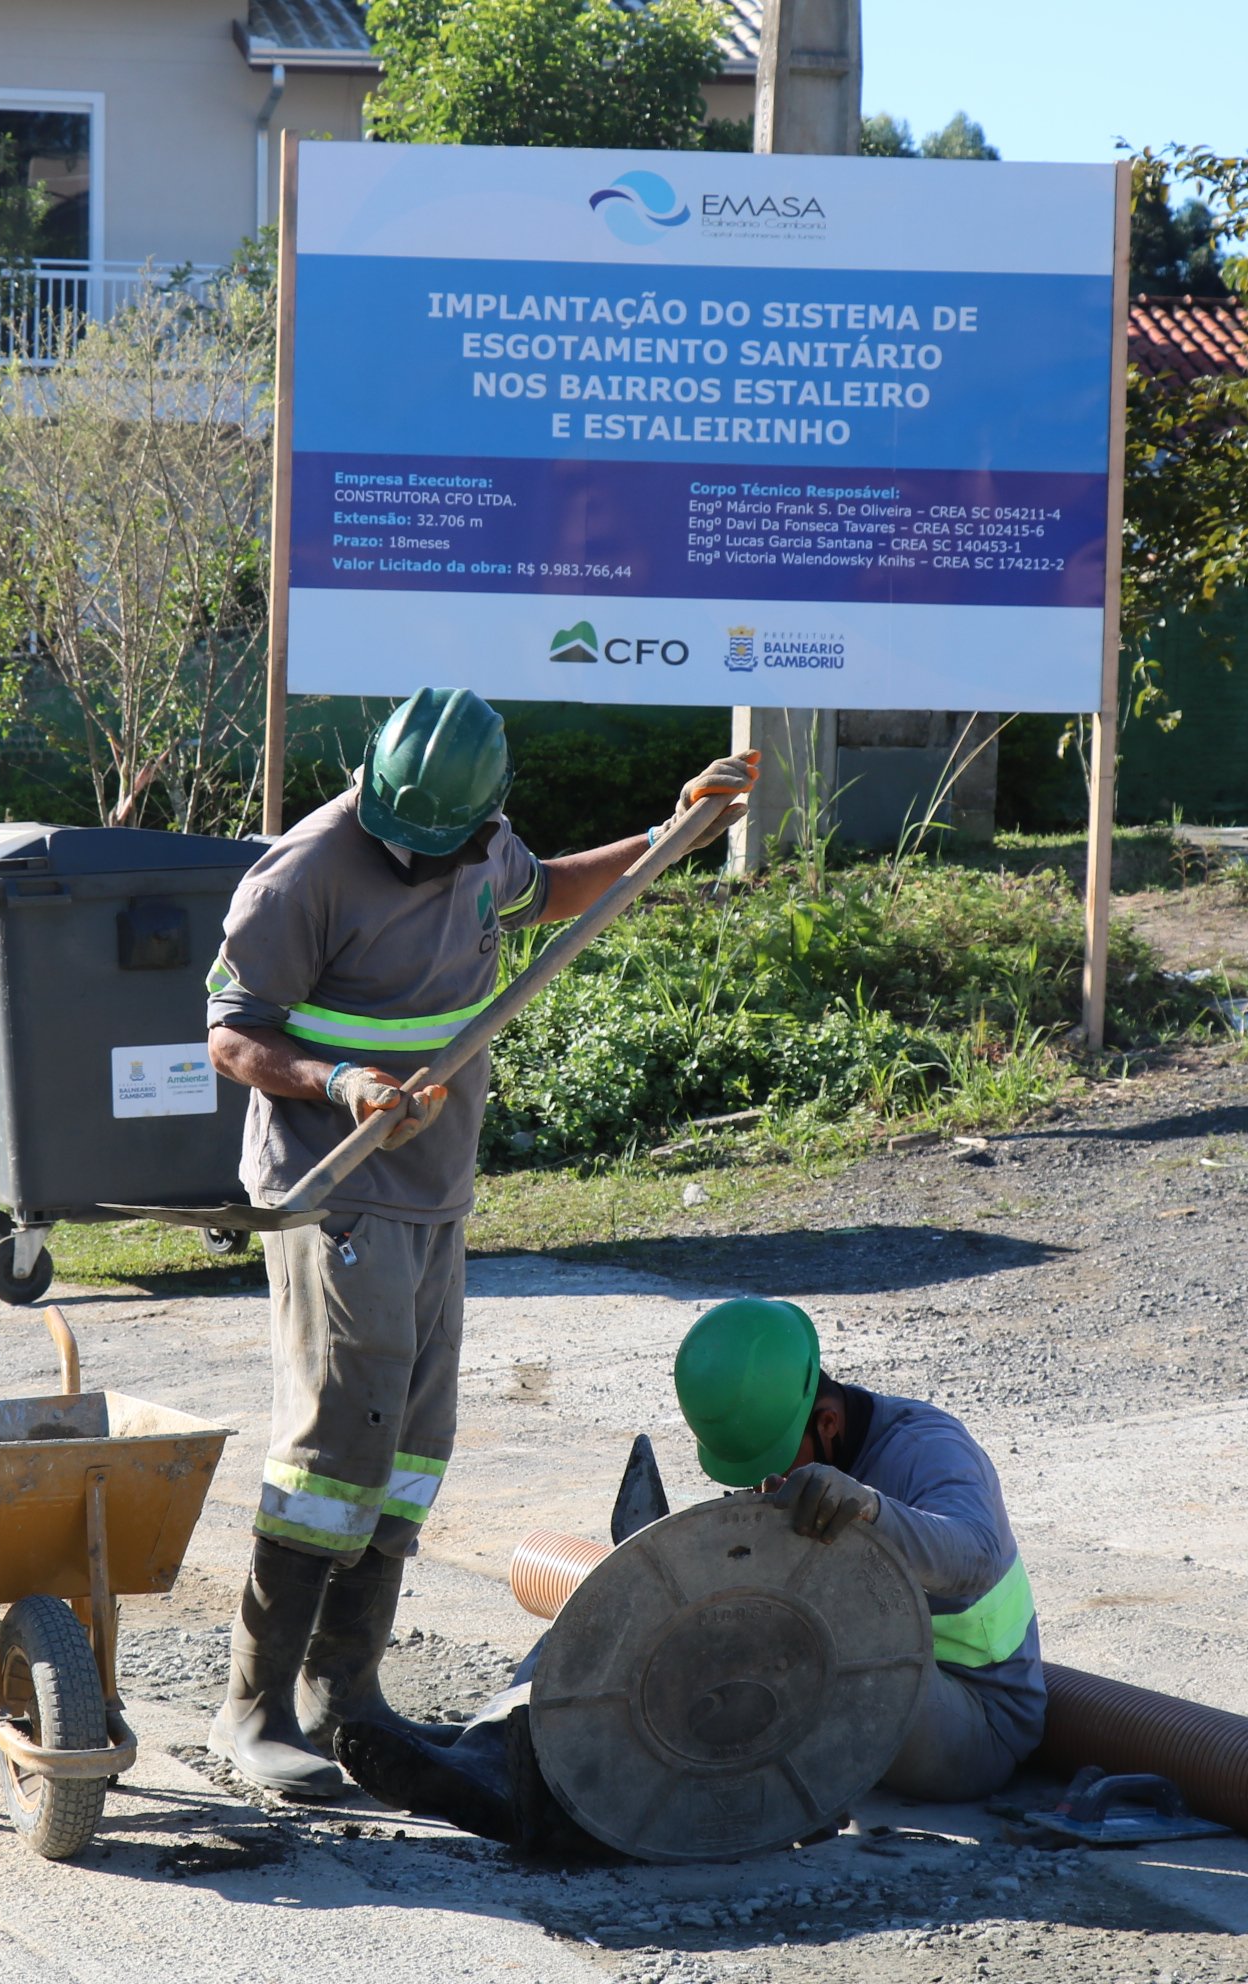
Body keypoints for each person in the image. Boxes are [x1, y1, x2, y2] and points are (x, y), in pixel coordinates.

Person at [202, 686, 759, 1797]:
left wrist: (669, 835)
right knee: (334, 1442)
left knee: (409, 1446)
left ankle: (345, 1693)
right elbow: (231, 1033)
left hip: (434, 1187)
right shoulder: (305, 872)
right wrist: (339, 1080)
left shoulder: (481, 845)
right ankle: (253, 1707)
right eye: (402, 836)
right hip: (336, 1189)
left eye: (442, 843)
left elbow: (547, 891)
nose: (419, 859)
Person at [333, 1297, 1045, 1844]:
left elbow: (973, 1556)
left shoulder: (926, 1449)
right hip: (863, 1676)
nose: (758, 1487)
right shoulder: (798, 1456)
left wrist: (870, 1512)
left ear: (827, 1423)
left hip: (971, 1718)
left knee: (760, 1652)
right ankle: (487, 1744)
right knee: (637, 1597)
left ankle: (573, 1802)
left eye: (772, 1464)